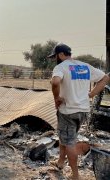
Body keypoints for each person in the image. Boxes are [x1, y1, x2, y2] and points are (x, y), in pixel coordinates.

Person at [48, 44, 109, 180]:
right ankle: (60, 162)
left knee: (69, 142)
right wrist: (91, 94)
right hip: (82, 111)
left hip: (68, 111)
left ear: (61, 54)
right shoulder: (84, 66)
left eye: (56, 56)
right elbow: (105, 78)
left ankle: (75, 175)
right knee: (66, 136)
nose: (55, 59)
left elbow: (55, 82)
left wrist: (56, 98)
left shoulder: (61, 67)